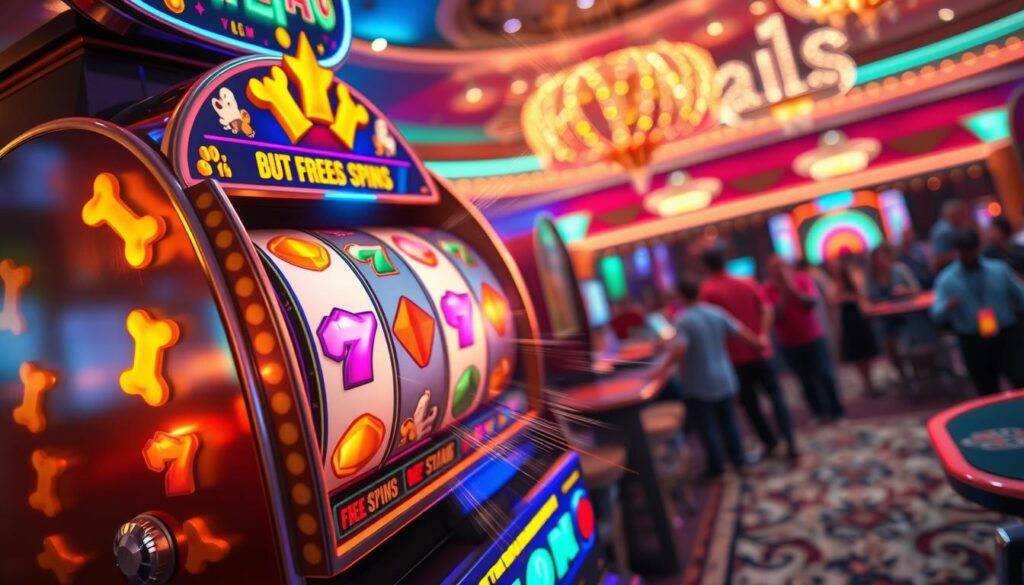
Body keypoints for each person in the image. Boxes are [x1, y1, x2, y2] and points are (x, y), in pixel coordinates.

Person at [699, 249, 797, 459]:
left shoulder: (708, 291)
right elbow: (767, 310)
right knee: (776, 397)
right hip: (761, 351)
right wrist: (763, 336)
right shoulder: (747, 282)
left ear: (705, 266)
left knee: (751, 404)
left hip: (736, 358)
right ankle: (790, 442)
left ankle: (770, 443)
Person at [674, 275, 767, 478]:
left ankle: (717, 467)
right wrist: (758, 344)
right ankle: (739, 460)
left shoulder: (683, 321)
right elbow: (741, 332)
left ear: (680, 296)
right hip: (725, 376)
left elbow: (679, 349)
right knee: (730, 421)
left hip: (699, 383)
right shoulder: (716, 312)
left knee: (708, 427)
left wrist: (661, 369)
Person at [931, 230, 1024, 394]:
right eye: (964, 252)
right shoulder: (947, 279)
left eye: (971, 251)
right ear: (958, 252)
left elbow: (1021, 295)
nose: (968, 257)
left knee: (1020, 380)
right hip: (973, 340)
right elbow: (936, 314)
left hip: (1005, 334)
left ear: (977, 249)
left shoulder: (998, 270)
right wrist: (947, 306)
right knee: (986, 388)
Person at [762, 255, 845, 422]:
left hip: (814, 336)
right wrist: (784, 293)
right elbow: (776, 315)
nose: (779, 270)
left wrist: (792, 288)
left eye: (781, 265)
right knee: (804, 379)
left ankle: (837, 412)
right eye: (775, 267)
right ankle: (819, 413)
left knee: (825, 374)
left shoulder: (803, 279)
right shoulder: (767, 289)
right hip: (789, 342)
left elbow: (811, 303)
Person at [866, 244, 920, 384]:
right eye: (877, 259)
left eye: (883, 257)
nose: (881, 262)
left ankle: (917, 373)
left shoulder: (899, 270)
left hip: (905, 316)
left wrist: (905, 291)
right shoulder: (871, 277)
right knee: (891, 348)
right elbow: (868, 298)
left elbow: (916, 289)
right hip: (885, 320)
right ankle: (903, 377)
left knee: (908, 347)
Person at [829, 254, 882, 396]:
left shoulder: (854, 275)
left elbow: (862, 294)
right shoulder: (833, 282)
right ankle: (866, 383)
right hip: (848, 321)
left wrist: (851, 297)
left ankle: (870, 381)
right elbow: (833, 300)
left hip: (859, 317)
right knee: (856, 354)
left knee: (866, 352)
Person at [930, 199, 971, 272]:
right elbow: (938, 259)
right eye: (961, 213)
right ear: (953, 214)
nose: (964, 217)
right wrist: (964, 254)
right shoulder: (946, 231)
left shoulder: (944, 227)